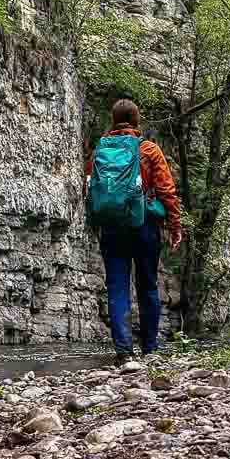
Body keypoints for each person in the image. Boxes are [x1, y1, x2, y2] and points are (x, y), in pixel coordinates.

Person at [86, 99, 182, 364]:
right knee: (147, 285)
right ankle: (150, 349)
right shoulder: (149, 150)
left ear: (113, 120)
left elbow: (91, 191)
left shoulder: (99, 152)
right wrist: (175, 226)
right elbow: (166, 191)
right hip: (145, 226)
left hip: (112, 228)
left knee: (117, 287)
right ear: (137, 121)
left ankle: (124, 353)